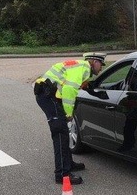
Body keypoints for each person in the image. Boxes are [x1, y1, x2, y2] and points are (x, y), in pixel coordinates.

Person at [34, 52, 106, 184]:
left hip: (48, 94)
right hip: (48, 96)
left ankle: (69, 164)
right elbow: (68, 90)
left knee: (64, 134)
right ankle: (62, 174)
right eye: (100, 64)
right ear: (94, 61)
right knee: (60, 133)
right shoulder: (83, 68)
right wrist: (68, 113)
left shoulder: (79, 66)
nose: (101, 68)